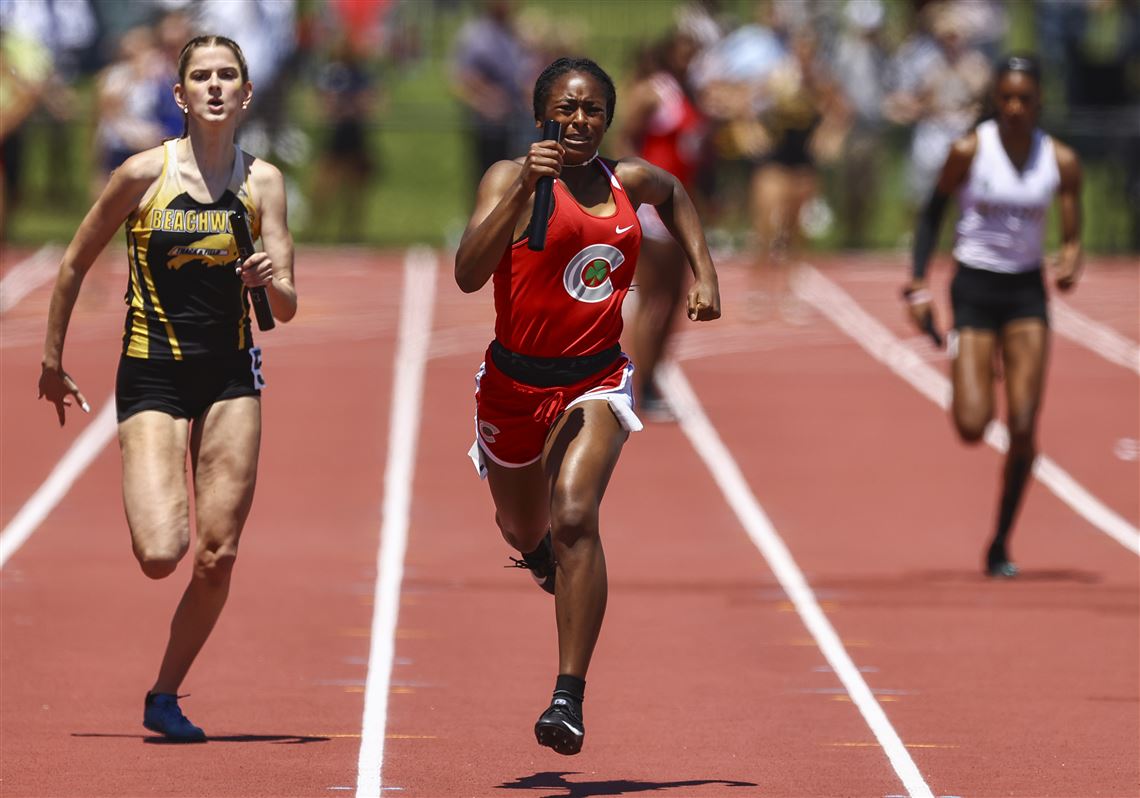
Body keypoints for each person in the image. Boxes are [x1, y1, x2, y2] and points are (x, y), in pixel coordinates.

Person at [455, 56, 720, 756]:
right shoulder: (508, 178)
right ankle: (539, 553)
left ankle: (567, 697)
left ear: (608, 116)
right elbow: (467, 273)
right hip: (512, 384)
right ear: (542, 112)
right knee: (523, 528)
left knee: (576, 511)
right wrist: (522, 188)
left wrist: (705, 270)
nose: (579, 121)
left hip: (595, 378)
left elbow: (678, 196)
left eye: (592, 109)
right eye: (566, 109)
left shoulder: (626, 181)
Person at [38, 35, 297, 740]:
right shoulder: (141, 175)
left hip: (231, 375)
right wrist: (52, 359)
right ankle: (158, 482)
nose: (215, 87)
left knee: (217, 555)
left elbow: (290, 304)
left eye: (228, 77)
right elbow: (71, 264)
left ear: (245, 94)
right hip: (152, 368)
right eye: (202, 78)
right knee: (161, 555)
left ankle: (165, 693)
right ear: (180, 96)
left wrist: (269, 278)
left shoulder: (264, 182)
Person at [903, 54, 1082, 578]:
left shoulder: (1061, 160)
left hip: (1026, 292)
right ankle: (970, 356)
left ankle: (1001, 539)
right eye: (1006, 97)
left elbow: (1072, 237)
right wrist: (917, 285)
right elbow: (932, 212)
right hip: (975, 287)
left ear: (1039, 102)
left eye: (1025, 99)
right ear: (995, 100)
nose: (1015, 108)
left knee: (1024, 426)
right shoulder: (970, 150)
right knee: (972, 425)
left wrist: (1071, 258)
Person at [618, 30, 708, 421]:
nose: (689, 57)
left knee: (674, 297)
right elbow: (623, 136)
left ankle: (653, 376)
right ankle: (639, 384)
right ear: (669, 51)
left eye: (694, 51)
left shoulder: (690, 91)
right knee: (654, 296)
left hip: (680, 200)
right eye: (684, 49)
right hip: (655, 207)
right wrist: (638, 180)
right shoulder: (654, 90)